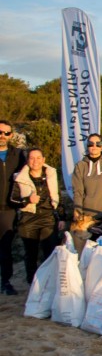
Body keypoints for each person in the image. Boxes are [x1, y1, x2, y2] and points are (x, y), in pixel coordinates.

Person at [10, 148, 67, 284]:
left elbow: (57, 197)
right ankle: (32, 282)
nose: (35, 161)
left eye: (38, 158)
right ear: (28, 160)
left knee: (51, 252)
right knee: (31, 254)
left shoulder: (50, 175)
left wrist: (62, 217)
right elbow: (13, 200)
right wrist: (27, 200)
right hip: (28, 219)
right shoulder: (20, 178)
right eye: (32, 158)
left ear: (43, 160)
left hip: (48, 218)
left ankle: (50, 281)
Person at [0, 120, 25, 295]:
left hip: (7, 209)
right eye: (0, 132)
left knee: (5, 247)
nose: (2, 136)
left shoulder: (17, 155)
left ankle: (5, 282)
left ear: (11, 135)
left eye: (6, 133)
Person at [71, 133, 102, 220]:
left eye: (98, 144)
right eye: (91, 144)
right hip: (87, 217)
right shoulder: (80, 166)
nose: (94, 146)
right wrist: (78, 211)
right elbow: (78, 192)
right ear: (87, 146)